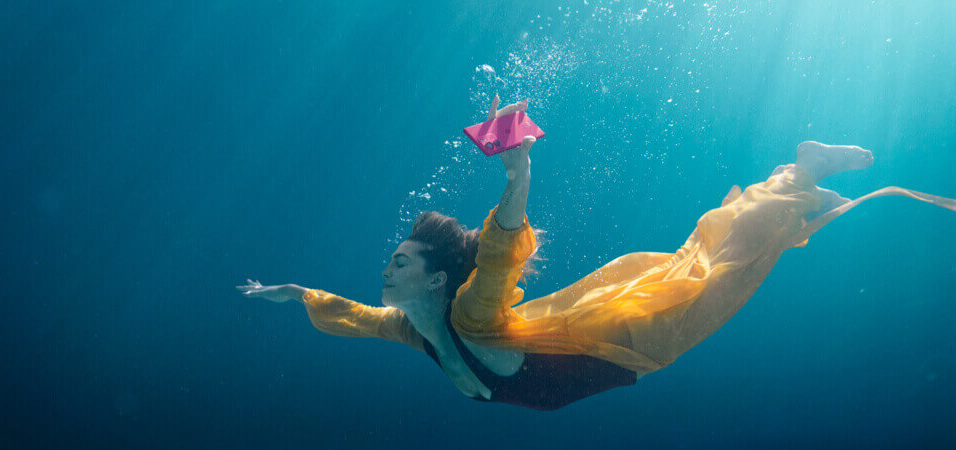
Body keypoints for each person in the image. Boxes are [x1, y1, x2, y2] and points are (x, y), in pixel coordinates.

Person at [237, 95, 956, 411]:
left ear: (434, 278)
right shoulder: (412, 328)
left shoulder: (470, 311)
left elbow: (500, 254)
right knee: (716, 264)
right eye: (393, 261)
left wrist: (517, 175)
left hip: (627, 344)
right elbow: (354, 316)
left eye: (401, 262)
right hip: (608, 356)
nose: (386, 269)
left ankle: (802, 174)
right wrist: (291, 294)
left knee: (721, 272)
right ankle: (794, 186)